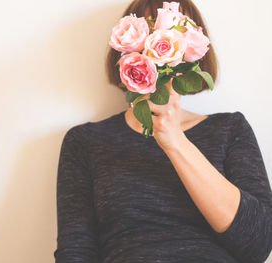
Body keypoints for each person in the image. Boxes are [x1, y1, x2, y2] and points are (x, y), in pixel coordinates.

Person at [53, 0, 272, 262]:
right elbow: (75, 252)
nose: (164, 39)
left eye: (180, 31)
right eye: (151, 31)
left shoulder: (230, 129)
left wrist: (176, 143)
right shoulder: (85, 142)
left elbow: (258, 246)